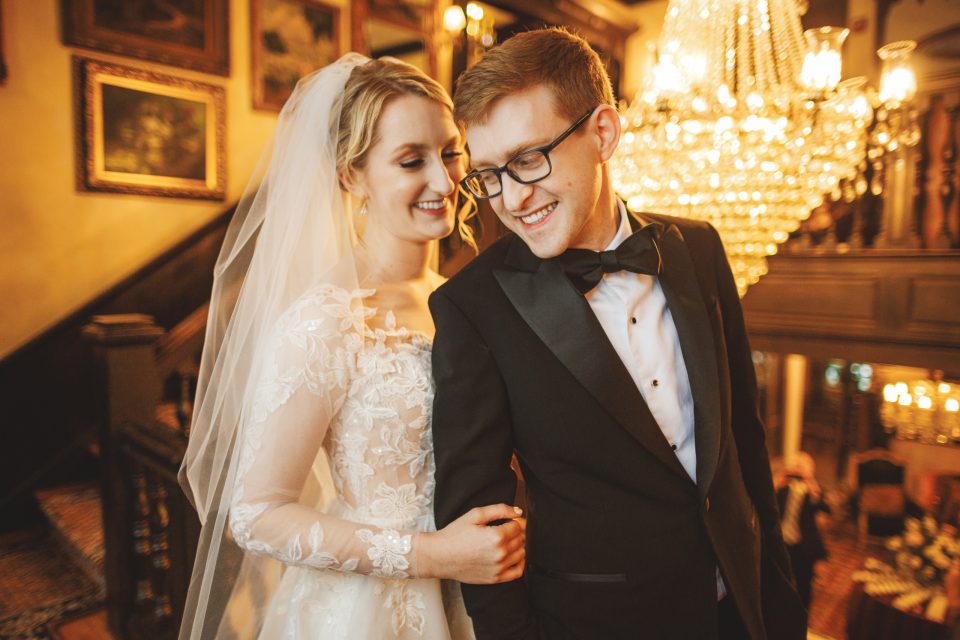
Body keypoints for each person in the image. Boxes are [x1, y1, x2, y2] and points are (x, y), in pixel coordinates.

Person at [430, 28, 807, 640]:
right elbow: (481, 530)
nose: (513, 198)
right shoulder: (471, 307)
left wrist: (781, 605)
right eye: (490, 174)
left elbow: (743, 440)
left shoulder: (698, 247)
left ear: (602, 133)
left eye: (529, 159)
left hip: (742, 611)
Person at [178, 54, 525, 639]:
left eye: (449, 152)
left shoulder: (464, 301)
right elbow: (257, 514)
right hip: (373, 610)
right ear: (351, 175)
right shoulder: (327, 320)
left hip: (488, 593)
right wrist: (435, 555)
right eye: (411, 160)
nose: (443, 182)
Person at [774, 452, 830, 611]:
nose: (797, 471)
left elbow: (826, 508)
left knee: (804, 584)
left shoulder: (813, 491)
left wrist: (811, 483)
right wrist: (779, 480)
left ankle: (802, 612)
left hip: (804, 545)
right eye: (795, 467)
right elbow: (767, 503)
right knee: (779, 579)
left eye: (801, 468)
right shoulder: (783, 489)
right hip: (782, 542)